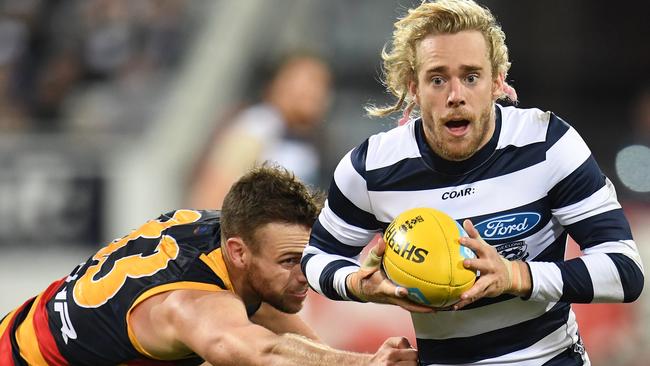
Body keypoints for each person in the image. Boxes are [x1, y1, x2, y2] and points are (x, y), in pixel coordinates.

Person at [300, 1, 645, 365]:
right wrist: (358, 285)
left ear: (497, 81)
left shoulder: (547, 145)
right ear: (411, 87)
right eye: (437, 79)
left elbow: (624, 270)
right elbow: (318, 257)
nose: (455, 96)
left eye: (471, 76)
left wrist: (516, 275)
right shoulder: (371, 168)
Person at [0, 165, 418, 365]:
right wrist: (366, 363)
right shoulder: (192, 302)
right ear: (238, 251)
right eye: (290, 261)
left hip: (21, 328)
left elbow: (270, 311)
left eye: (305, 259)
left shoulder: (229, 234)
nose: (303, 274)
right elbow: (256, 351)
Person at [188, 51, 332, 209]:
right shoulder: (257, 127)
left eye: (323, 84)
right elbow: (213, 192)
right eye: (309, 81)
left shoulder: (308, 140)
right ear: (277, 85)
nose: (317, 92)